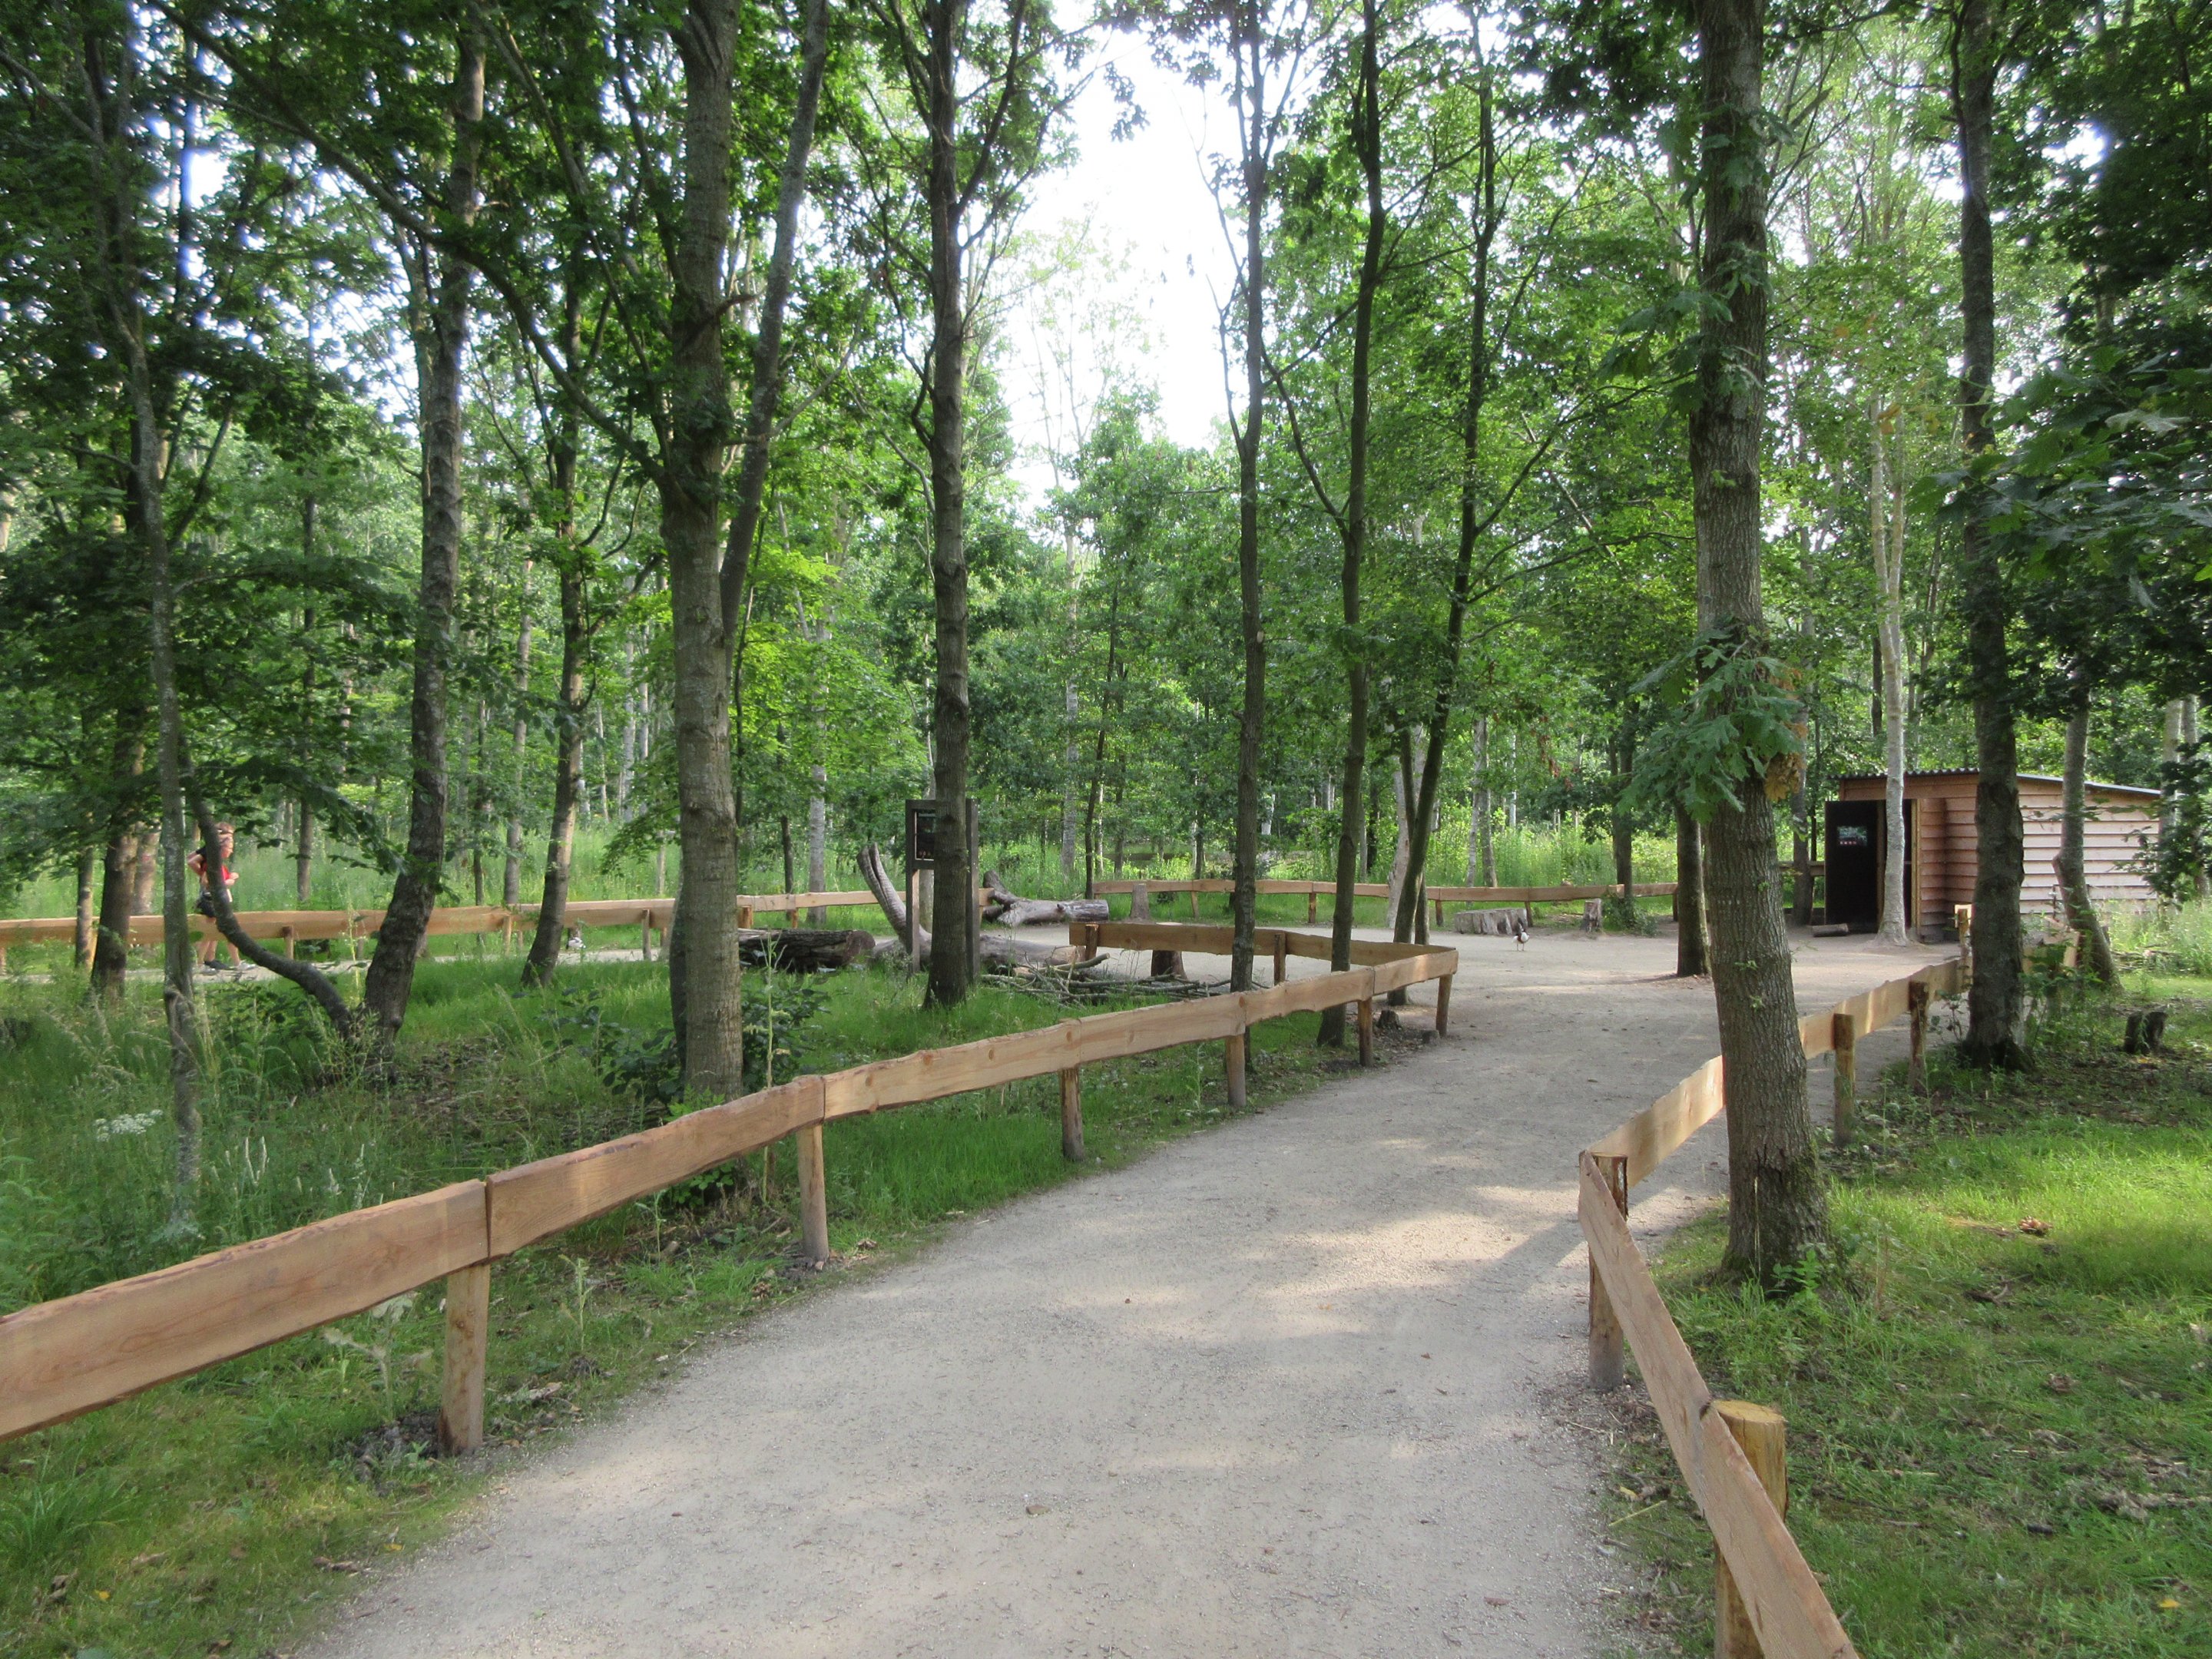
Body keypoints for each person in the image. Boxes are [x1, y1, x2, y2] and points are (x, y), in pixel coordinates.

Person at [188, 822, 240, 970]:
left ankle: (209, 959)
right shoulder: (210, 855)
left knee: (214, 930)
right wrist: (228, 881)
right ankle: (202, 962)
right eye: (229, 837)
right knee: (213, 930)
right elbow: (192, 862)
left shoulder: (216, 860)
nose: (232, 845)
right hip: (210, 899)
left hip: (216, 898)